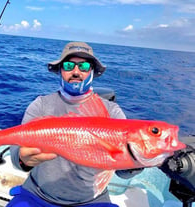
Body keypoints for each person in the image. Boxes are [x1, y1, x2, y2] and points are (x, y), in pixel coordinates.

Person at [8, 42, 142, 207]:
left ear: (92, 72)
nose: (76, 72)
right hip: (36, 195)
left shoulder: (112, 111)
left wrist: (137, 160)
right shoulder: (41, 105)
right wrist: (22, 159)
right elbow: (16, 153)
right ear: (60, 70)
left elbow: (123, 172)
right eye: (69, 65)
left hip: (92, 201)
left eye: (84, 66)